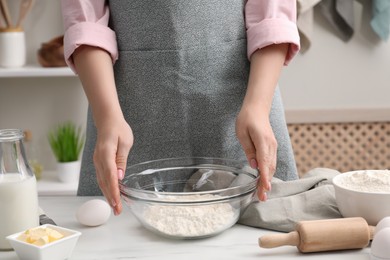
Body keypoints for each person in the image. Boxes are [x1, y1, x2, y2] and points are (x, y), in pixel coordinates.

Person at [61, 0, 301, 216]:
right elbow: (86, 23)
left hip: (245, 109)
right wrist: (107, 118)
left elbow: (273, 17)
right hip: (125, 113)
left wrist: (258, 108)